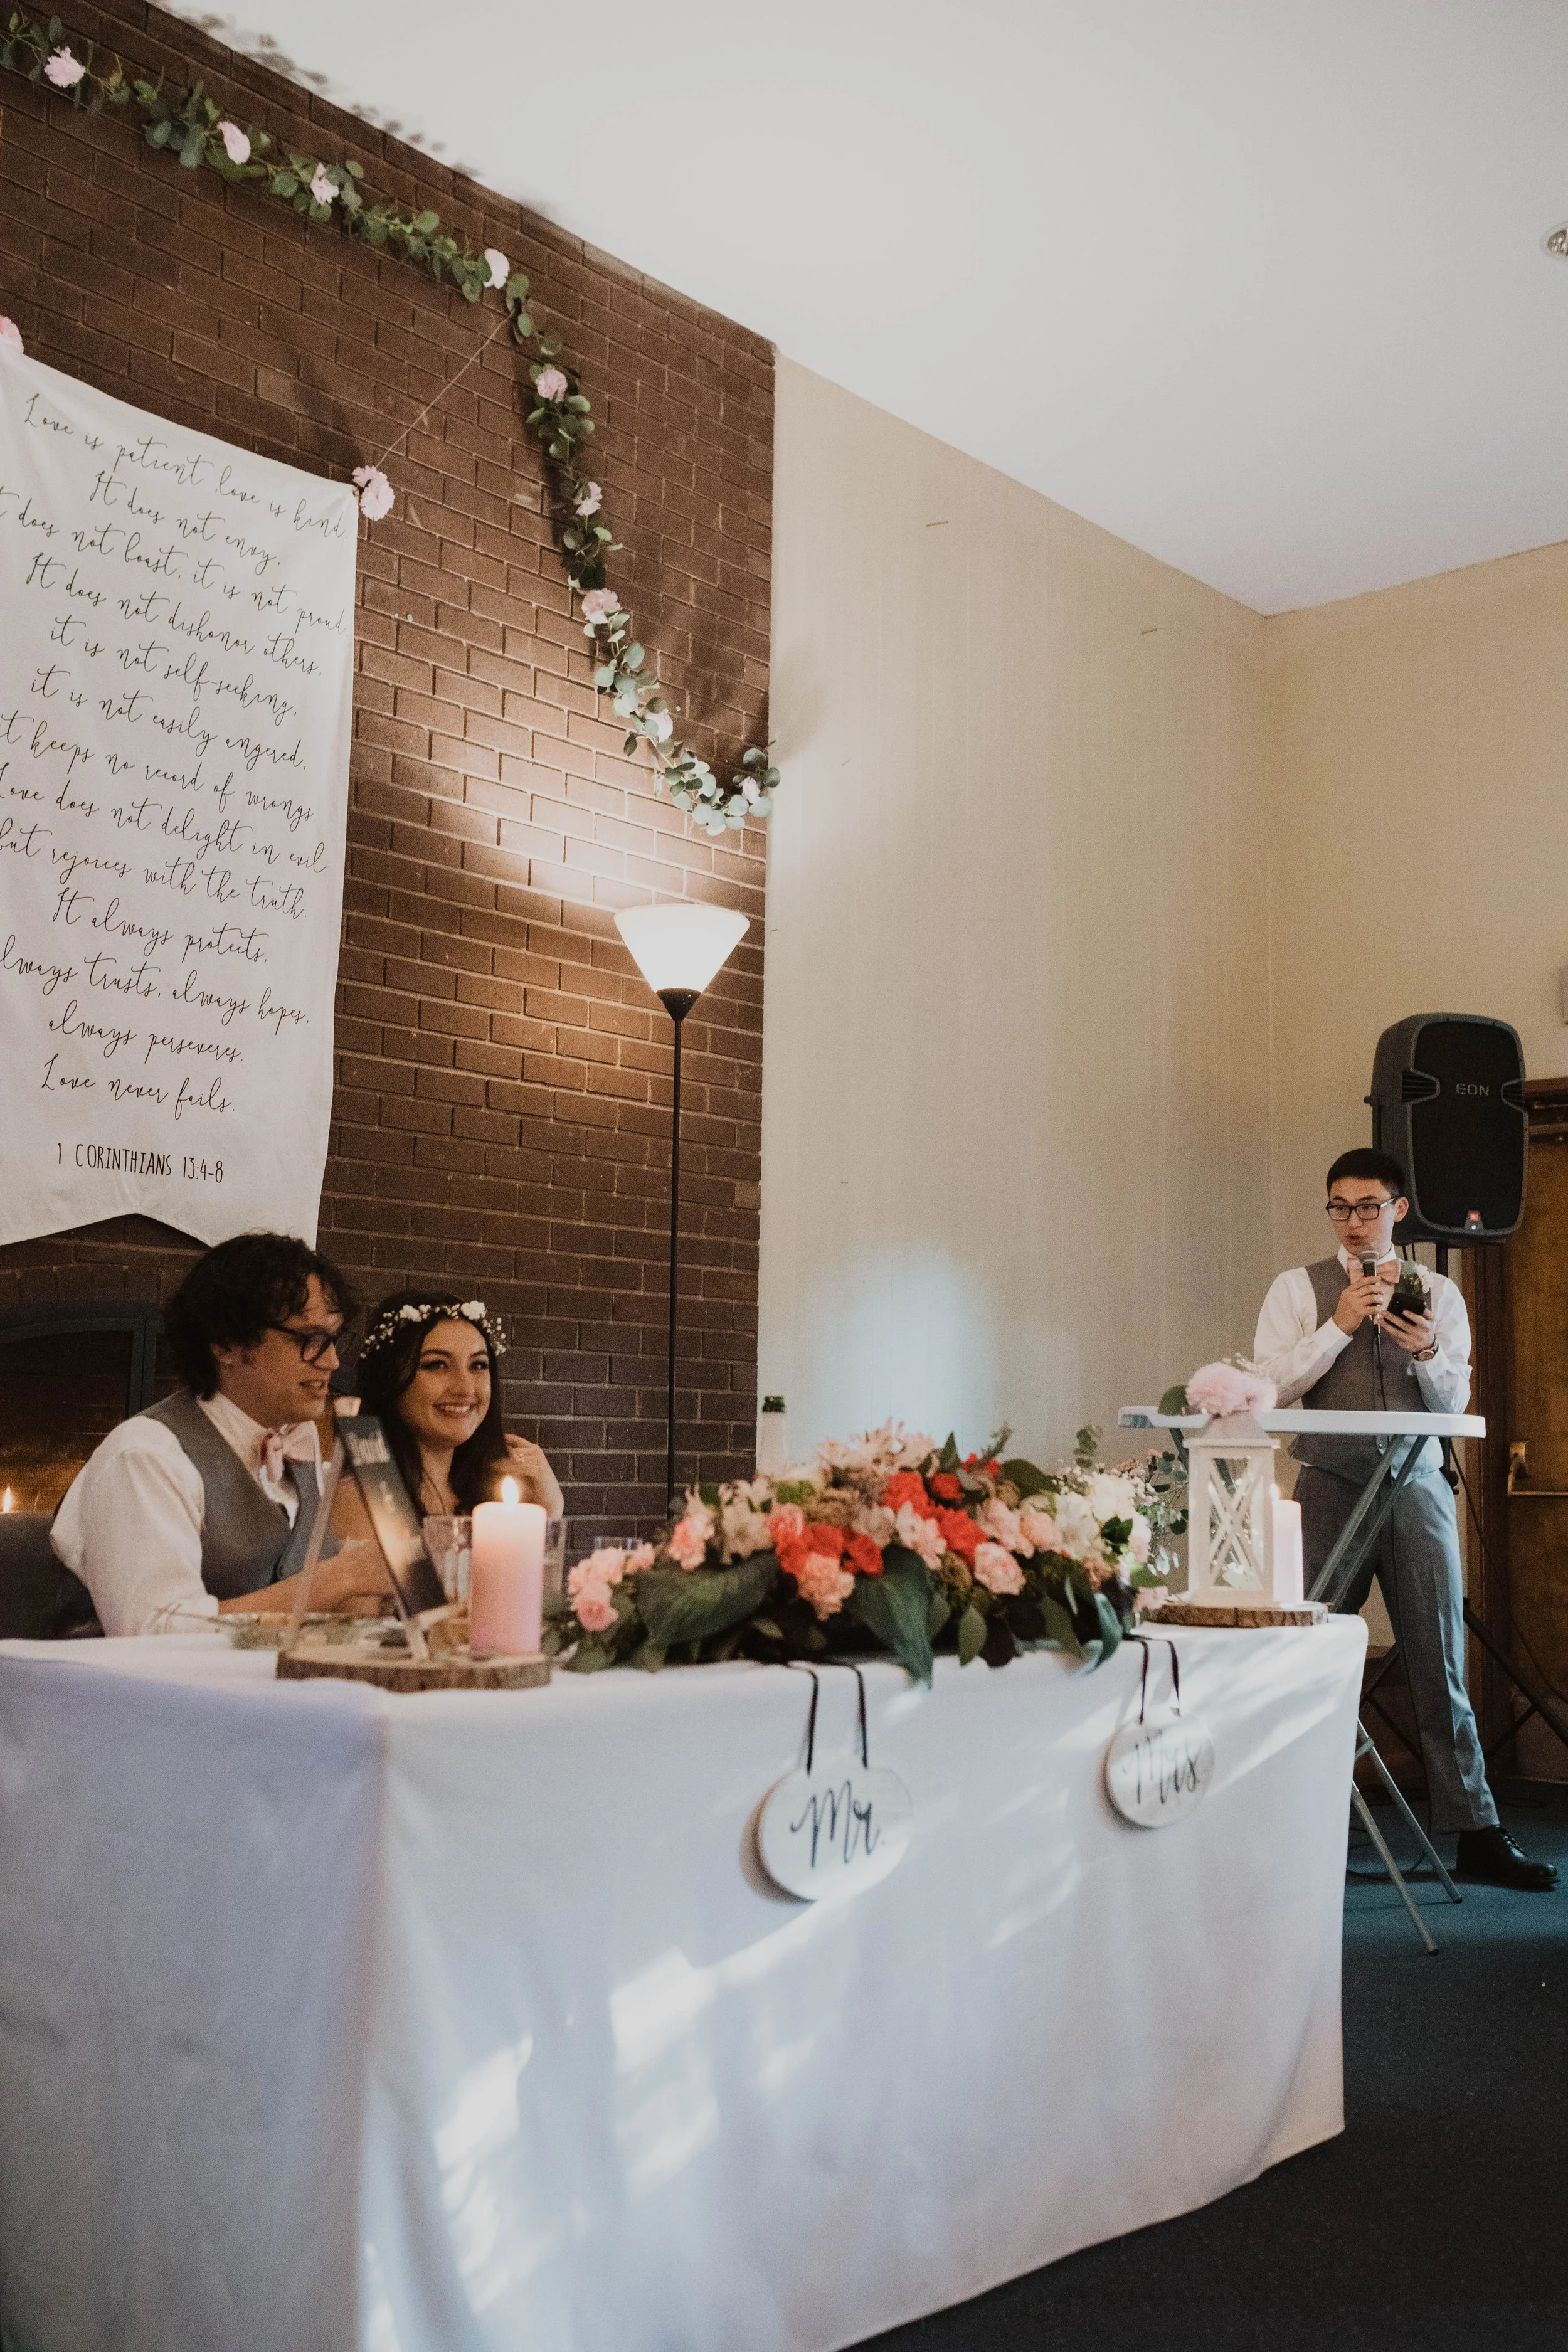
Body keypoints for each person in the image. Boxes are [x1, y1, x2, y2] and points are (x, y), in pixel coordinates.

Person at [1254, 1147, 1555, 1892]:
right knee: (1308, 1659)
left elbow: (1452, 1405)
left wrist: (1422, 1349)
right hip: (1328, 1484)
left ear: (1398, 1209)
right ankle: (1300, 1826)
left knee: (1439, 1658)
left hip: (1417, 1484)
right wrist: (1336, 1327)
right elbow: (1266, 1388)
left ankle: (1475, 1832)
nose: (1352, 1222)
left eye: (1367, 1206)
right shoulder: (1297, 1288)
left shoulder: (1440, 1294)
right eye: (1338, 1207)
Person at [51, 1232, 393, 1637]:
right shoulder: (144, 1455)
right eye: (310, 1340)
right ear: (226, 1344)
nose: (332, 1361)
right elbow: (152, 1633)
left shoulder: (298, 1443)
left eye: (333, 1340)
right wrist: (339, 1579)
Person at [349, 1289, 563, 1522]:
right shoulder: (362, 1495)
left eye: (478, 1365)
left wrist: (549, 1511)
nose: (465, 1388)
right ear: (388, 1378)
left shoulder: (494, 1498)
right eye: (437, 1365)